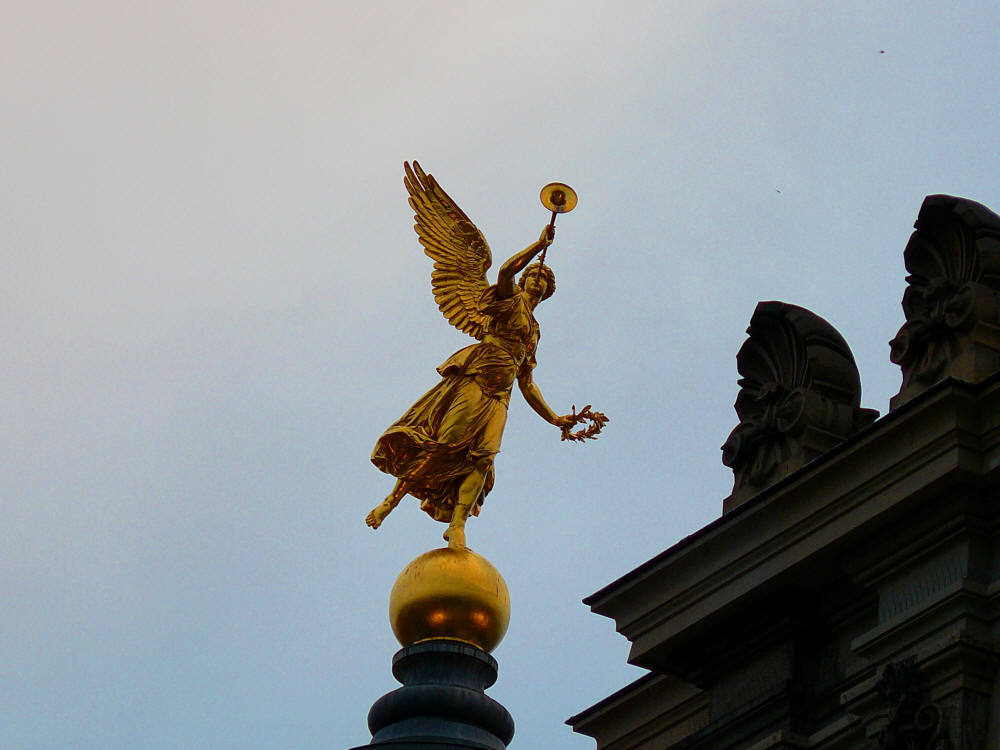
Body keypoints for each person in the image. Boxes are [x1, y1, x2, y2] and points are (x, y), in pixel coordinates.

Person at [367, 225, 574, 549]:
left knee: (483, 459)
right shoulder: (509, 300)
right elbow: (505, 270)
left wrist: (555, 418)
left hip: (500, 396)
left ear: (548, 291)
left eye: (544, 279)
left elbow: (527, 382)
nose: (538, 280)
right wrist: (538, 245)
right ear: (525, 280)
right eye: (534, 274)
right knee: (445, 444)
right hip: (476, 377)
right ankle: (391, 501)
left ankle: (457, 524)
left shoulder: (534, 331)